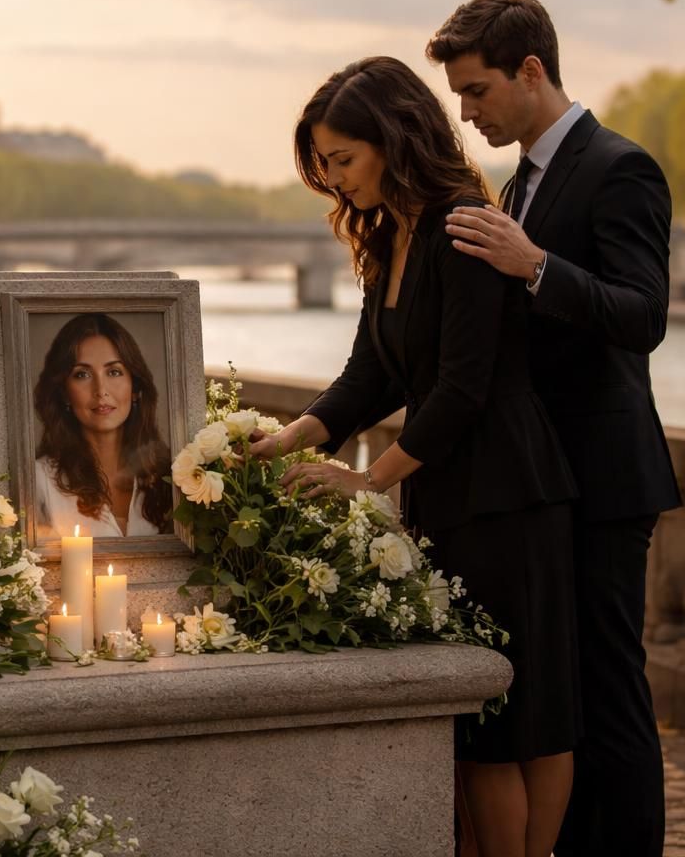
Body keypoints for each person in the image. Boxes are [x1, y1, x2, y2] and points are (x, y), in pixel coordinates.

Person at [250, 57, 579, 857]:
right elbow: (369, 375)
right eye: (324, 165)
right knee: (472, 718)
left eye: (343, 160)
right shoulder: (387, 236)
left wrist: (368, 480)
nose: (335, 180)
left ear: (393, 139)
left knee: (515, 719)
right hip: (447, 494)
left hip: (507, 495)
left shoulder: (462, 225)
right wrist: (289, 438)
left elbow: (463, 389)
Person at [430, 0, 681, 857]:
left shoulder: (621, 167)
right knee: (563, 701)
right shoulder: (518, 183)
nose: (468, 113)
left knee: (610, 693)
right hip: (546, 481)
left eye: (477, 91)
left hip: (605, 477)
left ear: (531, 71)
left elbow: (643, 315)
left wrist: (535, 266)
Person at [31, 313, 172, 540]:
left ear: (135, 388)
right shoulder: (39, 481)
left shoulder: (171, 475)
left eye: (114, 372)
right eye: (82, 374)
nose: (101, 390)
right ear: (65, 393)